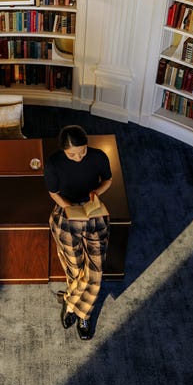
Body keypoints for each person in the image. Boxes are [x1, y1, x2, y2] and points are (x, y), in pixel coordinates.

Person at [45, 125, 112, 340]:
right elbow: (53, 192)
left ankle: (79, 310)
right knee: (75, 268)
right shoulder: (54, 163)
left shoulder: (99, 156)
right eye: (72, 154)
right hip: (68, 212)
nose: (78, 157)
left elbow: (107, 180)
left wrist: (96, 192)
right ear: (63, 150)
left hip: (92, 211)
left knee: (95, 270)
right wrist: (67, 207)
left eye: (82, 151)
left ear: (87, 145)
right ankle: (74, 303)